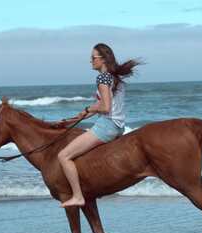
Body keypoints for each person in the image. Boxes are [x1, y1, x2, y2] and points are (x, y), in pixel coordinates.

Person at [57, 43, 140, 208]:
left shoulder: (102, 78)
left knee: (63, 156)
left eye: (93, 58)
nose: (90, 61)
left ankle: (78, 196)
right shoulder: (114, 78)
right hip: (118, 126)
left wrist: (90, 108)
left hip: (106, 126)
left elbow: (105, 107)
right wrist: (77, 117)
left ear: (103, 59)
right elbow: (101, 104)